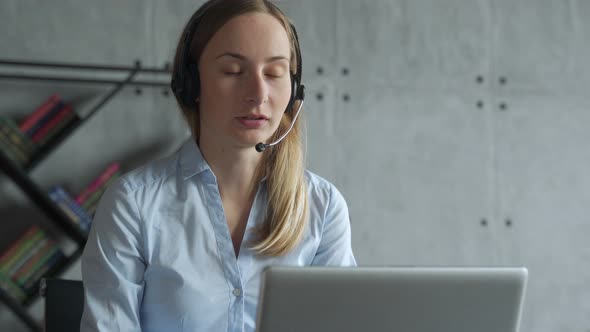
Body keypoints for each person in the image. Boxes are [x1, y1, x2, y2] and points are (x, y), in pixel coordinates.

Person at [80, 0, 356, 331]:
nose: (258, 93)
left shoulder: (323, 208)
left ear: (294, 89)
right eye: (233, 71)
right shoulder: (133, 204)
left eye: (274, 73)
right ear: (191, 84)